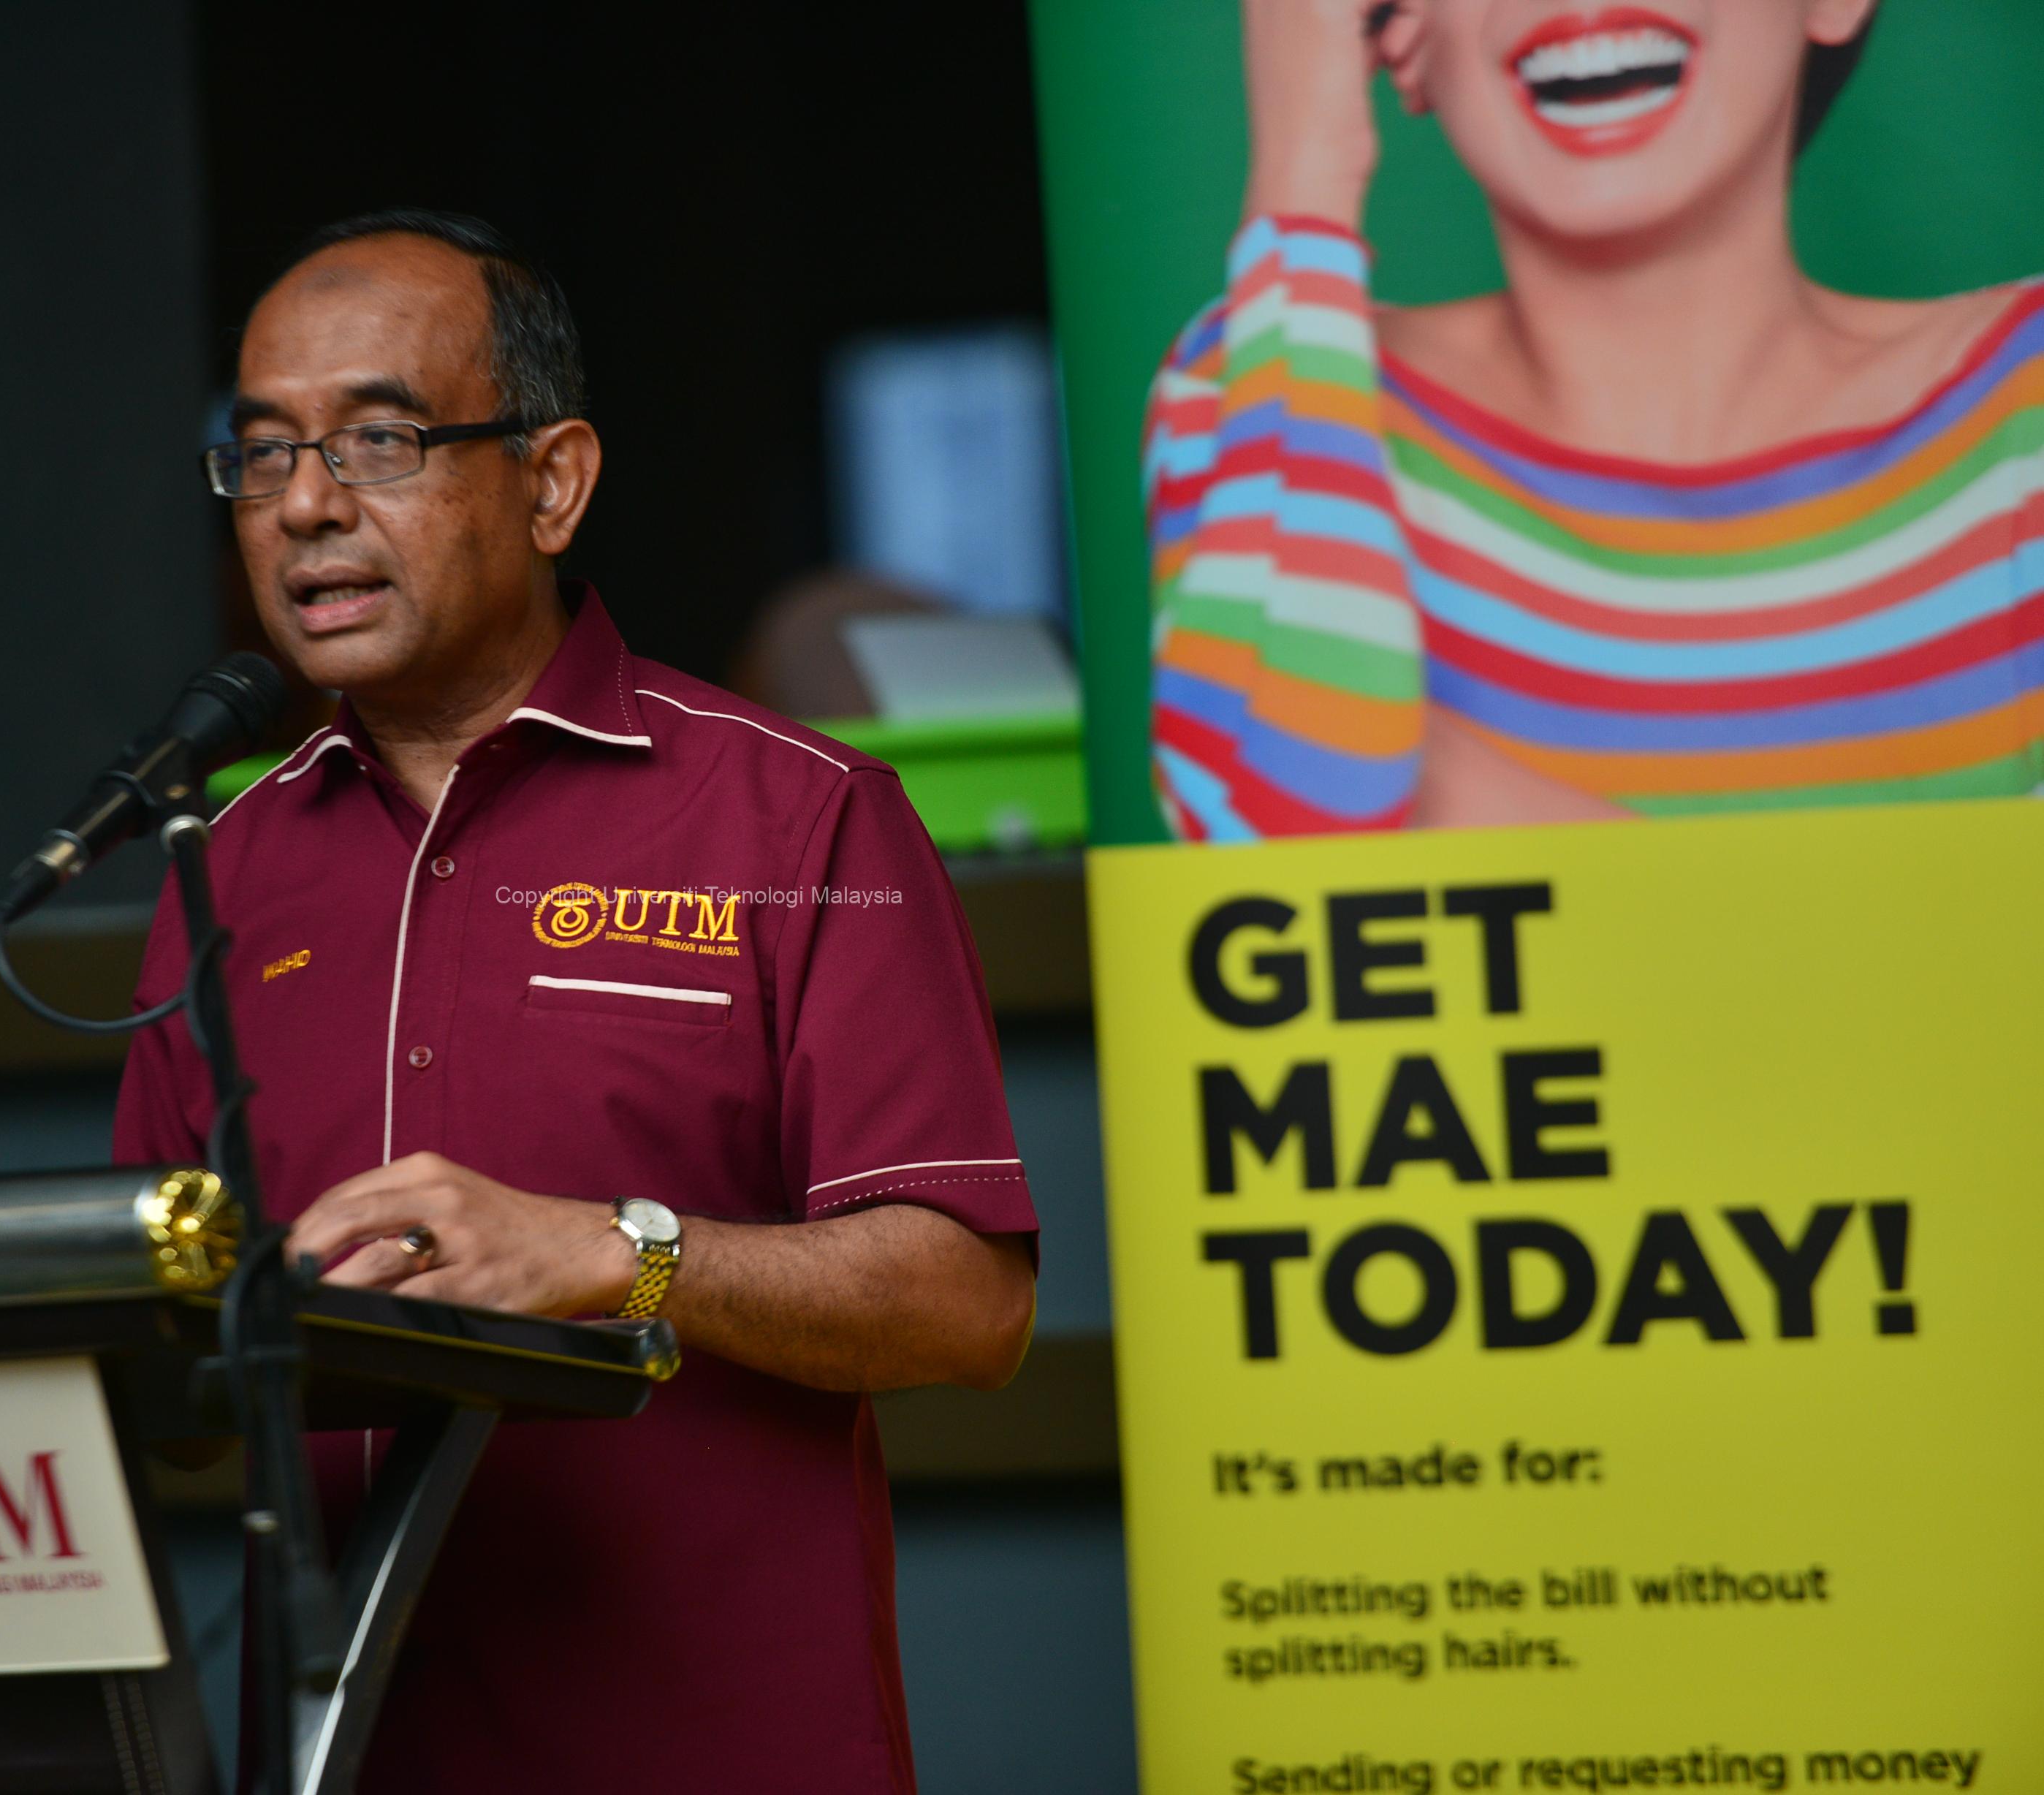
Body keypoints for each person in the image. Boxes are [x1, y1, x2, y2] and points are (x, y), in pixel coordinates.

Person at [112, 210, 1039, 1794]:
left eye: (380, 440)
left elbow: (971, 1302)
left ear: (551, 482)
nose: (308, 505)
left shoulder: (797, 817)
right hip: (353, 1757)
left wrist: (622, 1252)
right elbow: (166, 1385)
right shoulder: (229, 861)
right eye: (261, 454)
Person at [1146, 0, 2044, 838]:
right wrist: (1306, 164)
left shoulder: (2024, 398)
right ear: (1400, 37)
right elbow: (1277, 831)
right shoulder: (1272, 377)